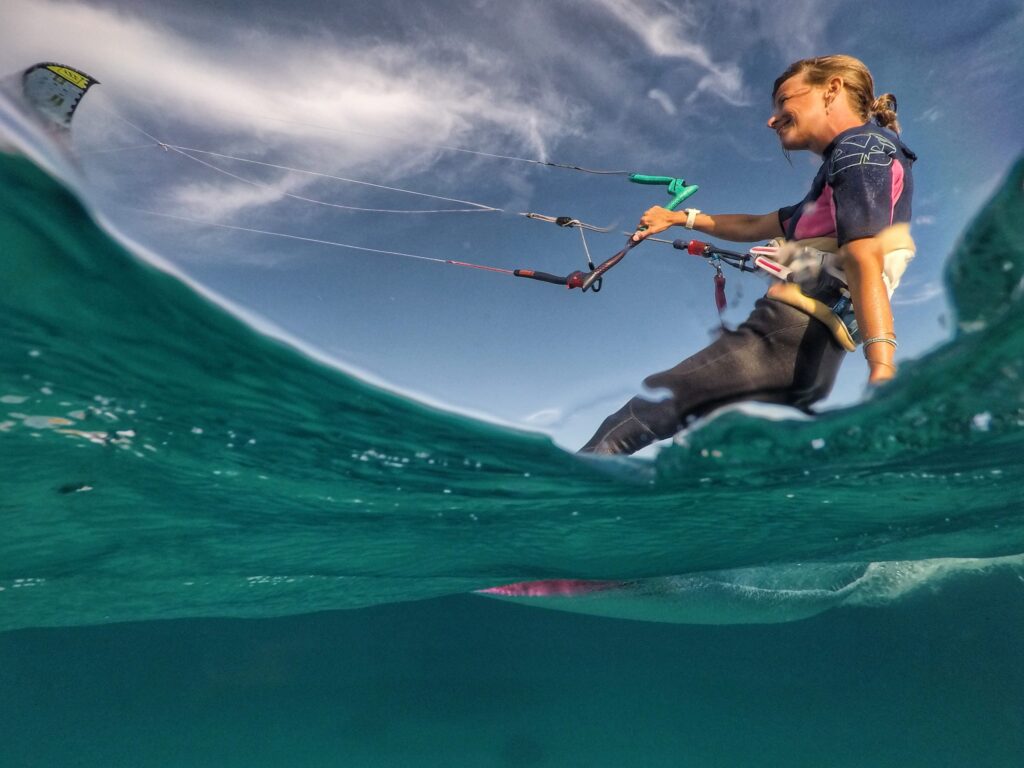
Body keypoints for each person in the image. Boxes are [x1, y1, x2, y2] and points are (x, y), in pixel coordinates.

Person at [580, 54, 917, 456]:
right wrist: (678, 217)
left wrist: (881, 367)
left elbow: (865, 258)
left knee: (634, 419)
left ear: (832, 89)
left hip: (786, 334)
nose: (771, 119)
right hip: (812, 353)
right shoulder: (855, 162)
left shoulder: (858, 149)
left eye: (784, 101)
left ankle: (554, 510)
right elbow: (754, 224)